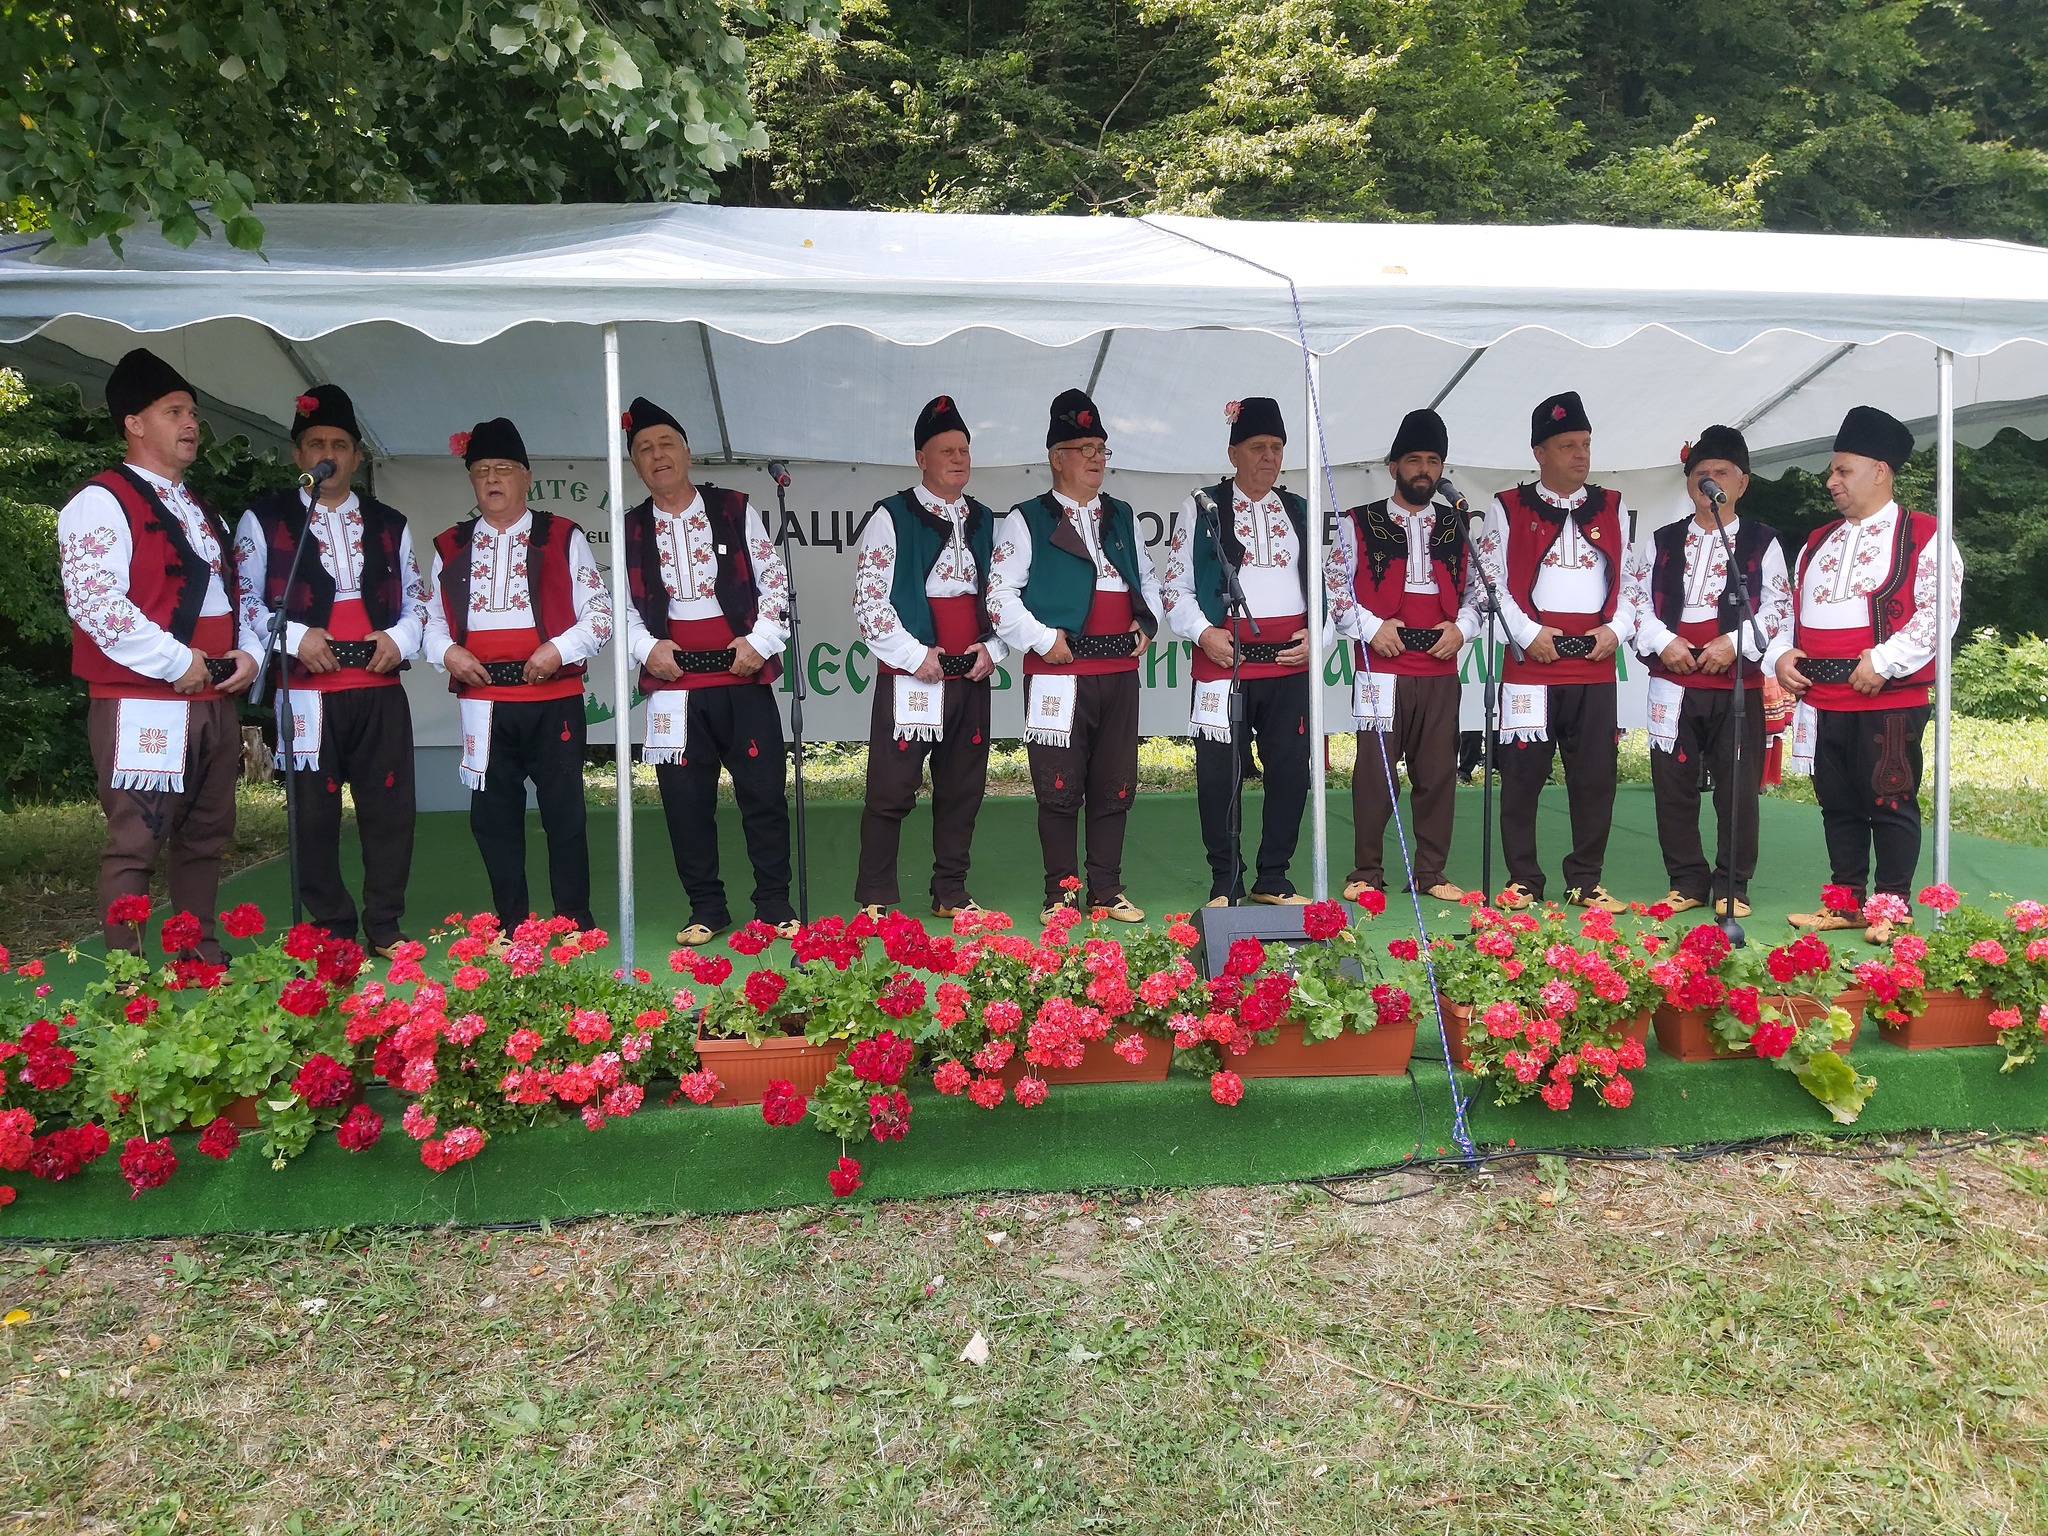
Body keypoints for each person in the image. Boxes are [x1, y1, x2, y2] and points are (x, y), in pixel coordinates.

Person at [59, 347, 258, 960]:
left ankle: (198, 958)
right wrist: (177, 661)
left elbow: (235, 595)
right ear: (134, 423)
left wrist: (249, 653)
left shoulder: (200, 507)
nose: (190, 423)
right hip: (143, 699)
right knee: (136, 840)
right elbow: (95, 603)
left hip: (214, 694)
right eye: (174, 412)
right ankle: (128, 976)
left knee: (206, 836)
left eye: (192, 412)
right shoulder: (101, 500)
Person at [234, 385, 429, 957]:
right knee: (313, 817)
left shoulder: (390, 522)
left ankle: (385, 924)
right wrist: (294, 637)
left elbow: (419, 600)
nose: (328, 455)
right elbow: (242, 600)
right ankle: (331, 928)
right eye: (316, 444)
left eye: (340, 445)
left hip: (378, 687)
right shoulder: (264, 519)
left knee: (390, 811)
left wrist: (399, 638)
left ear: (357, 457)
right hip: (307, 693)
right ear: (298, 454)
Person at [1773, 405, 1963, 943]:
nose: (1831, 481)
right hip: (1821, 696)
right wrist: (1781, 655)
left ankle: (1892, 908)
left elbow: (1939, 613)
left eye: (1843, 470)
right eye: (1832, 471)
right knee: (1837, 804)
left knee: (1890, 798)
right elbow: (1786, 612)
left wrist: (1882, 661)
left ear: (1880, 471)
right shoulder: (1817, 542)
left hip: (1888, 696)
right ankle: (1846, 902)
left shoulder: (1925, 534)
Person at [618, 396, 797, 945]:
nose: (658, 455)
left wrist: (760, 643)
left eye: (666, 443)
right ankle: (707, 907)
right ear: (634, 463)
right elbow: (618, 608)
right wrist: (646, 648)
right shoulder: (629, 528)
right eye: (644, 449)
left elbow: (775, 586)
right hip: (674, 687)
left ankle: (774, 904)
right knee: (685, 803)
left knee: (763, 794)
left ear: (688, 451)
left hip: (742, 676)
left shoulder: (735, 509)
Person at [422, 417, 611, 938]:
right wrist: (448, 653)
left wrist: (558, 649)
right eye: (481, 470)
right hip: (483, 702)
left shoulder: (562, 536)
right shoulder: (451, 545)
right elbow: (429, 621)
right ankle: (511, 923)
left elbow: (599, 614)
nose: (492, 479)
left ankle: (573, 919)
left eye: (503, 468)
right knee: (493, 817)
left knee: (564, 813)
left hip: (552, 696)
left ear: (526, 477)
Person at [987, 387, 1164, 923]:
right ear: (1056, 457)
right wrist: (1044, 640)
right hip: (1058, 673)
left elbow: (1149, 581)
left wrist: (1146, 622)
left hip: (1119, 670)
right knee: (1059, 787)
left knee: (1115, 783)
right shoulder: (1028, 518)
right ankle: (1060, 894)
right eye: (1085, 448)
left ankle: (1106, 890)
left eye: (1101, 448)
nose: (1096, 458)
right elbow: (999, 596)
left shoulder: (1122, 515)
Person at [1476, 390, 1639, 912]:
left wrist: (1617, 629)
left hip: (1594, 661)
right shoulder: (1508, 506)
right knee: (1521, 777)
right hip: (1531, 662)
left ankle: (1586, 880)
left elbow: (1633, 581)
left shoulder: (1611, 505)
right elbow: (1489, 582)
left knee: (1595, 777)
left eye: (1585, 443)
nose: (1580, 454)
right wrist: (1526, 633)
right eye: (1568, 445)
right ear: (1539, 453)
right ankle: (1523, 878)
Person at [1622, 425, 1792, 919]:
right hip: (1672, 680)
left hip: (1734, 682)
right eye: (1700, 472)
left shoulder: (1762, 541)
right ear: (1688, 482)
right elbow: (1635, 598)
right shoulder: (1663, 540)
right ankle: (1687, 880)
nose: (1709, 480)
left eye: (1721, 472)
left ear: (1742, 483)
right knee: (1672, 784)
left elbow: (1778, 606)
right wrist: (1664, 642)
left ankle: (1733, 883)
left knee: (1737, 787)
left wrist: (1733, 644)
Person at [851, 395, 1002, 919]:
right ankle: (875, 897)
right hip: (913, 673)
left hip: (971, 673)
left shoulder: (984, 519)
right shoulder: (892, 515)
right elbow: (869, 601)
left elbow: (1003, 597)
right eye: (946, 451)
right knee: (891, 788)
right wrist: (914, 656)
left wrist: (994, 648)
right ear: (921, 457)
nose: (958, 459)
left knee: (963, 786)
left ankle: (950, 891)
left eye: (964, 450)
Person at [1160, 396, 1312, 907]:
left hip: (1288, 661)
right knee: (1219, 774)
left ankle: (1274, 876)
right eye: (1257, 447)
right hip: (1225, 659)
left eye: (1277, 447)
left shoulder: (1298, 509)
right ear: (1233, 454)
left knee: (1291, 769)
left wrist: (1317, 635)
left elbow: (1325, 588)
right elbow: (1174, 588)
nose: (1269, 457)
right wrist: (1204, 633)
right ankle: (1226, 878)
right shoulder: (1203, 506)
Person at [1327, 407, 1476, 904]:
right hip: (1381, 663)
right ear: (1393, 467)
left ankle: (1431, 872)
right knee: (1375, 773)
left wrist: (1462, 628)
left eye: (1433, 461)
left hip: (1439, 662)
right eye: (1414, 460)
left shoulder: (1458, 525)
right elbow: (1335, 589)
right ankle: (1366, 871)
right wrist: (1371, 629)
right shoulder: (1358, 521)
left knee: (1437, 771)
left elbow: (1481, 591)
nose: (1424, 470)